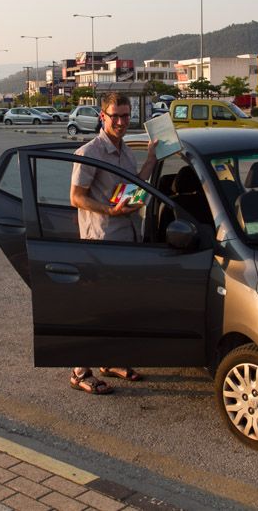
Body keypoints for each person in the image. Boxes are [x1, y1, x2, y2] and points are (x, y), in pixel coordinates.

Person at [68, 92, 158, 395]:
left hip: (127, 237)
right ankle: (80, 371)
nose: (120, 121)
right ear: (102, 117)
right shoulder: (90, 152)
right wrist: (110, 210)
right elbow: (76, 197)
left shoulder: (125, 152)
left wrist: (150, 160)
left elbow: (134, 189)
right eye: (114, 116)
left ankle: (109, 360)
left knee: (119, 304)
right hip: (101, 241)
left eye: (125, 115)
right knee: (97, 307)